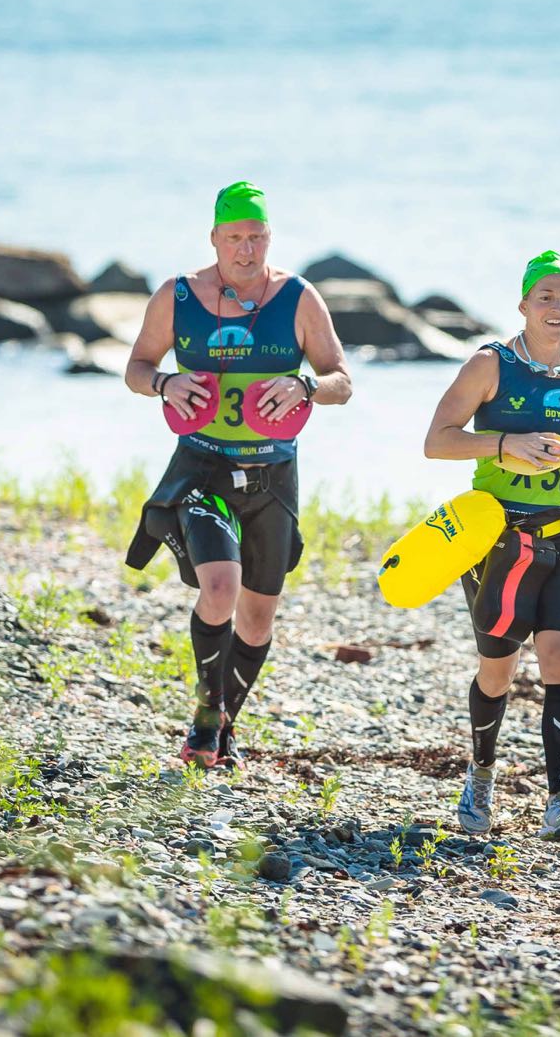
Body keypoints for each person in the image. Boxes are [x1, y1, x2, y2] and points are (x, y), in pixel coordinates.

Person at [123, 182, 352, 769]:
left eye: (256, 237)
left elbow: (341, 381)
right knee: (219, 589)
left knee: (256, 617)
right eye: (235, 239)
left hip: (274, 473)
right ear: (215, 239)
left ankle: (225, 727)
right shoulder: (178, 296)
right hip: (203, 465)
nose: (246, 250)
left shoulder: (299, 298)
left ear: (269, 237)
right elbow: (137, 367)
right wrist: (164, 383)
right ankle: (205, 717)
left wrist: (304, 385)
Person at [422, 250, 560, 840]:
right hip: (497, 535)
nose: (557, 309)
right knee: (498, 666)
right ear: (523, 306)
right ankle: (481, 774)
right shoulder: (491, 365)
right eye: (546, 298)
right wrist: (506, 445)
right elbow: (438, 441)